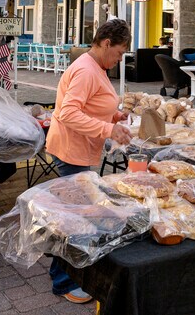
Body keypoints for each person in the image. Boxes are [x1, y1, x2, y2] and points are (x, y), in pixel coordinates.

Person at [45, 18, 133, 304]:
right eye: (119, 53)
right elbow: (69, 113)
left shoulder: (95, 66)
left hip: (79, 150)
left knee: (76, 215)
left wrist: (114, 117)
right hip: (72, 151)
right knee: (75, 220)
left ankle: (63, 274)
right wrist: (109, 129)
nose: (120, 59)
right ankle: (63, 282)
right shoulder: (85, 69)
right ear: (106, 43)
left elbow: (92, 105)